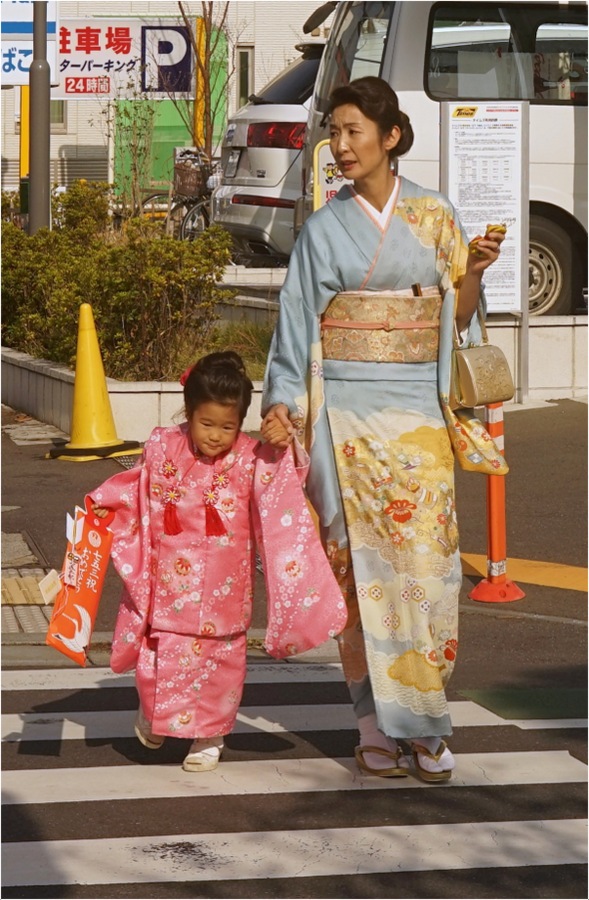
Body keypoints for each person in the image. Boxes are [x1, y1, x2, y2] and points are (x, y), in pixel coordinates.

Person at [261, 77, 506, 783]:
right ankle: (372, 725)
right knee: (354, 572)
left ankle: (423, 722)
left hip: (418, 415)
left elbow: (453, 325)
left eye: (351, 132)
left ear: (389, 137)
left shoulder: (434, 216)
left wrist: (473, 275)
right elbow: (295, 326)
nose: (338, 147)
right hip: (342, 417)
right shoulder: (321, 229)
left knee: (426, 570)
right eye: (332, 133)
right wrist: (284, 404)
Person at [90, 351, 346, 773]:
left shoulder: (250, 456)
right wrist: (107, 505)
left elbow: (283, 484)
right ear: (188, 412)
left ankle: (209, 736)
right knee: (161, 654)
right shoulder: (162, 446)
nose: (215, 436)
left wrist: (284, 441)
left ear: (241, 420)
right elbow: (135, 490)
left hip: (224, 589)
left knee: (218, 664)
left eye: (227, 426)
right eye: (206, 423)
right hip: (168, 580)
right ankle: (156, 713)